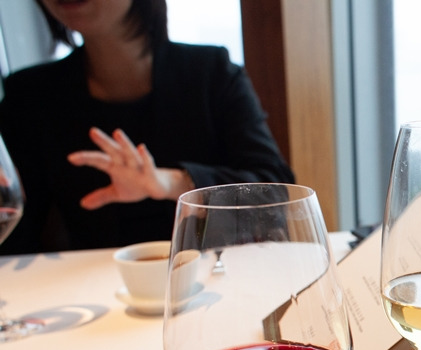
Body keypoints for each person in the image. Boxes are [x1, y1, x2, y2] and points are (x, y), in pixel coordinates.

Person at [0, 0, 294, 254]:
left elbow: (275, 192)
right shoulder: (28, 95)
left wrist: (171, 183)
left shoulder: (211, 72)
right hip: (85, 291)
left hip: (212, 279)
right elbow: (18, 229)